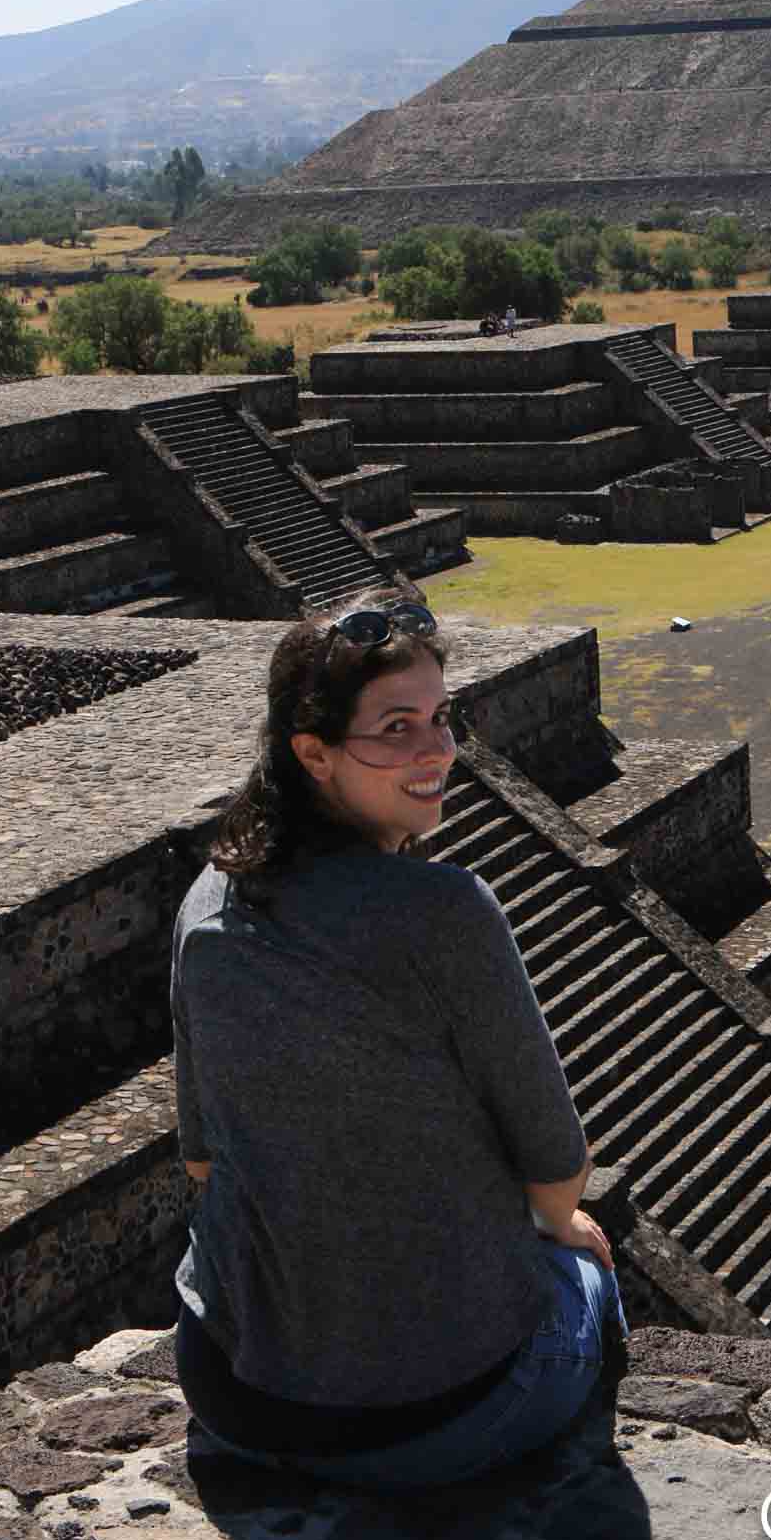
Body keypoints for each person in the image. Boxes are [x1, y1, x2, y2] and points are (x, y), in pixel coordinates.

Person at [169, 601, 627, 1490]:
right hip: (437, 1419)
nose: (437, 751)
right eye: (395, 728)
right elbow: (556, 1169)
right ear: (313, 754)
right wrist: (557, 1226)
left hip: (233, 1394)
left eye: (440, 718)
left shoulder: (206, 908)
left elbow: (199, 1164)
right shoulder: (444, 912)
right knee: (587, 1271)